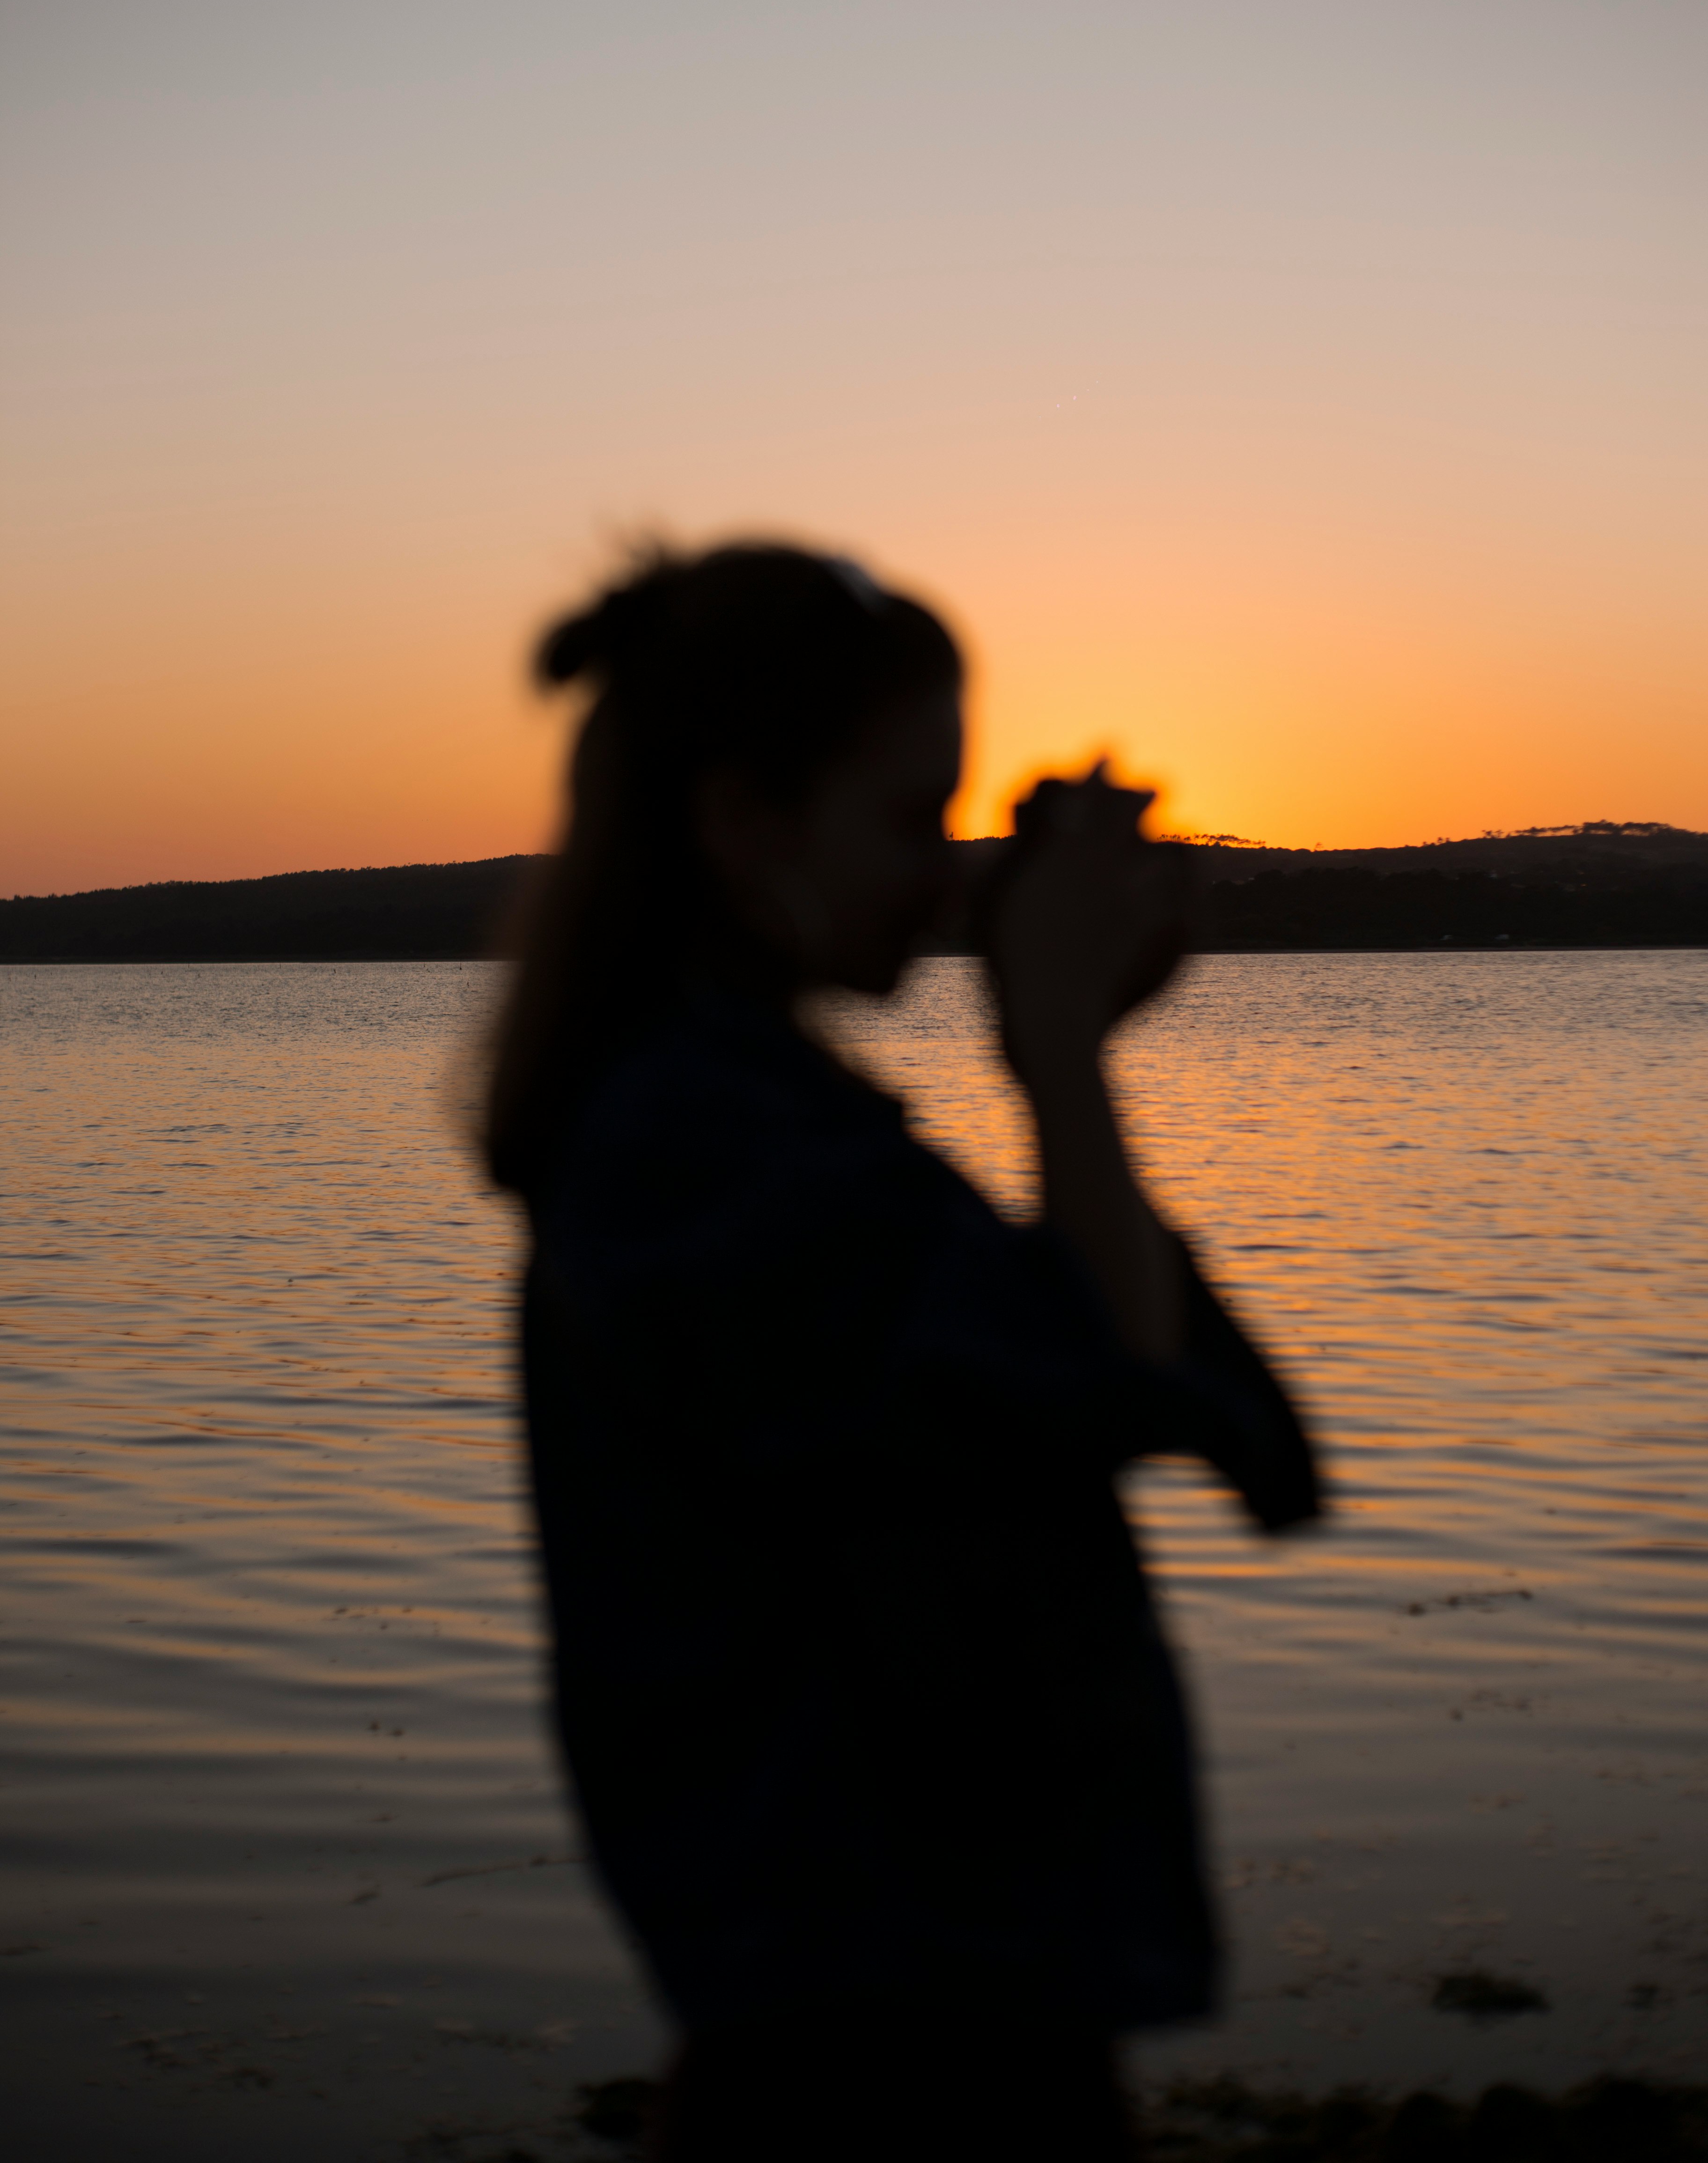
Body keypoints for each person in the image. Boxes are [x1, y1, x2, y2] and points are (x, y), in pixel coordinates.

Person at [483, 542, 1321, 2162]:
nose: (947, 880)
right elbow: (1094, 1380)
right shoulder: (691, 1154)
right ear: (742, 826)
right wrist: (1061, 1047)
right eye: (907, 819)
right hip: (872, 2029)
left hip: (931, 1991)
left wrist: (1061, 1041)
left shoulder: (765, 1129)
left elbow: (1188, 1413)